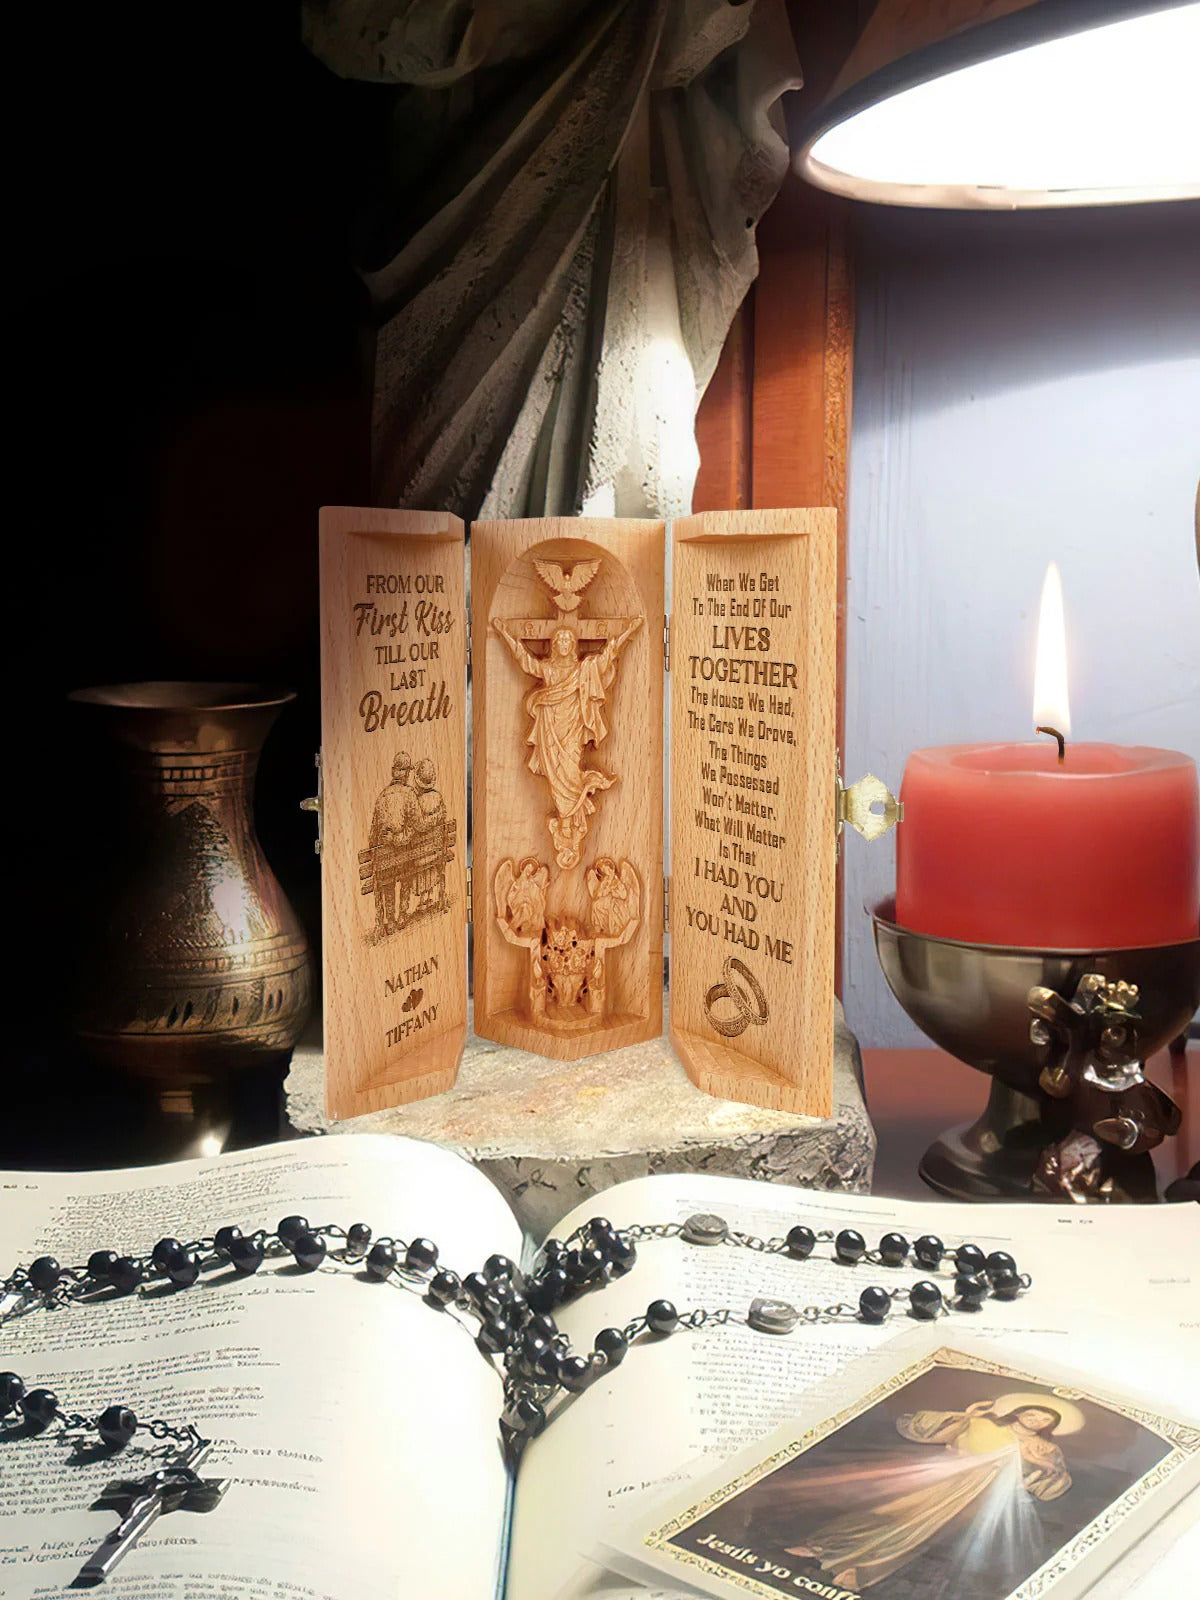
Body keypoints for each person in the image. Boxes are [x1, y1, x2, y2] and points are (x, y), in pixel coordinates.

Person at [781, 1400, 1071, 1591]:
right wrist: (967, 1415)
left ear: (1049, 1426)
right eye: (1033, 1413)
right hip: (940, 1476)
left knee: (921, 1533)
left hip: (978, 1496)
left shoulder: (1045, 1449)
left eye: (1044, 1419)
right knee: (887, 1510)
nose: (1036, 1420)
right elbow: (919, 1428)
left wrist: (1044, 1466)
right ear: (1019, 1411)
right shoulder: (981, 1423)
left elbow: (1046, 1488)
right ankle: (822, 1546)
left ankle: (859, 1571)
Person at [494, 619, 640, 866]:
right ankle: (567, 824)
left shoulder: (584, 670)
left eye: (567, 640)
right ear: (554, 645)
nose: (563, 643)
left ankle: (569, 826)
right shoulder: (548, 669)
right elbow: (526, 662)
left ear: (572, 645)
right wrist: (505, 633)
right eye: (559, 640)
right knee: (556, 780)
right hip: (551, 733)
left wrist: (628, 631)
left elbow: (607, 656)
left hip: (572, 733)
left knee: (571, 774)